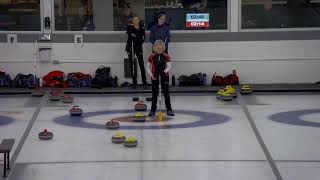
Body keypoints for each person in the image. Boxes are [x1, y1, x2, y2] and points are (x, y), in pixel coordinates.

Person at [146, 40, 174, 117]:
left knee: (166, 93)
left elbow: (169, 66)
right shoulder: (151, 56)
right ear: (155, 48)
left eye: (160, 48)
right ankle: (152, 110)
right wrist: (151, 74)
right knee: (154, 93)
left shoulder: (166, 55)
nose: (158, 49)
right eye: (157, 48)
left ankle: (169, 109)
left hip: (164, 76)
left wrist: (164, 72)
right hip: (155, 76)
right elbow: (148, 66)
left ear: (162, 48)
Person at [125, 15, 147, 89]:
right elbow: (129, 35)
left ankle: (144, 82)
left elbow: (142, 37)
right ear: (132, 21)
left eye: (136, 20)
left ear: (139, 20)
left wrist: (136, 37)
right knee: (132, 65)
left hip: (138, 47)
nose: (135, 21)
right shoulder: (130, 27)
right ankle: (134, 82)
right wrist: (136, 36)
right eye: (133, 20)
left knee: (141, 64)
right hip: (130, 47)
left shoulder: (142, 27)